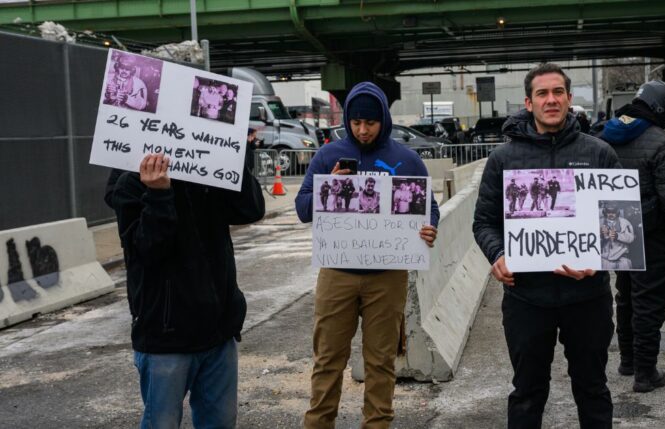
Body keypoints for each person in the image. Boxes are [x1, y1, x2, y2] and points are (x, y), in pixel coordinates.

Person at [473, 63, 621, 428]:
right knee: (526, 392)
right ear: (528, 102)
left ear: (570, 99)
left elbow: (620, 225)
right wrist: (498, 254)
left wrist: (601, 259)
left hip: (587, 296)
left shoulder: (600, 154)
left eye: (558, 92)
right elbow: (484, 223)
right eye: (542, 94)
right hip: (527, 298)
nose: (551, 100)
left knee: (593, 389)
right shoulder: (503, 159)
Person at [295, 81, 440, 429]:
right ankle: (318, 423)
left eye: (370, 123)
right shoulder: (327, 156)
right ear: (347, 120)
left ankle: (377, 423)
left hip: (388, 276)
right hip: (337, 272)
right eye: (356, 123)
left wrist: (429, 228)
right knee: (328, 358)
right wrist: (328, 188)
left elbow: (429, 208)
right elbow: (302, 209)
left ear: (384, 121)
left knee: (381, 361)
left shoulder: (406, 159)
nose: (362, 130)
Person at [111, 153, 265, 429]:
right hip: (166, 336)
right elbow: (147, 251)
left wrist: (231, 156)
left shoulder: (210, 171)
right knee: (161, 423)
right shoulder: (131, 181)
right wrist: (159, 194)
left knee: (221, 423)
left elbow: (251, 210)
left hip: (219, 332)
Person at [598, 80, 665, 392]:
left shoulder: (605, 134)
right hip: (653, 234)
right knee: (649, 303)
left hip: (616, 231)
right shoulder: (662, 143)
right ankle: (645, 373)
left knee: (625, 297)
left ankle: (628, 361)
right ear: (662, 108)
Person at [599, 204, 635, 270]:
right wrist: (601, 235)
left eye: (613, 212)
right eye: (608, 212)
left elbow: (631, 238)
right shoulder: (599, 222)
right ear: (605, 212)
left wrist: (617, 236)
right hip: (605, 260)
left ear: (617, 212)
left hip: (622, 258)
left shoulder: (625, 222)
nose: (611, 214)